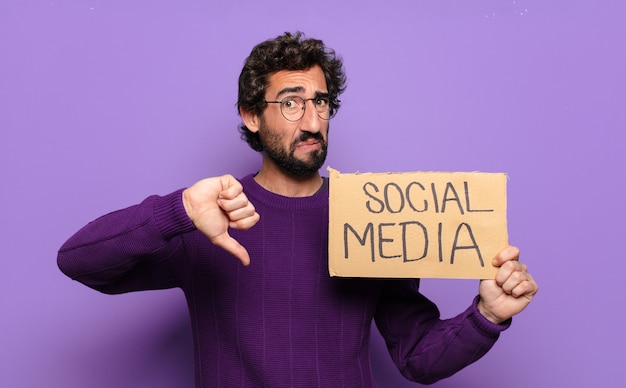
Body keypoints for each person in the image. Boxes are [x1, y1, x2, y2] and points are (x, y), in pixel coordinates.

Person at [57, 31, 538, 387]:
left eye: (321, 102)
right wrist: (177, 209)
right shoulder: (212, 217)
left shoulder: (369, 220)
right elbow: (79, 260)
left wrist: (486, 316)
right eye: (291, 103)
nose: (311, 121)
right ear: (251, 115)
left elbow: (417, 357)